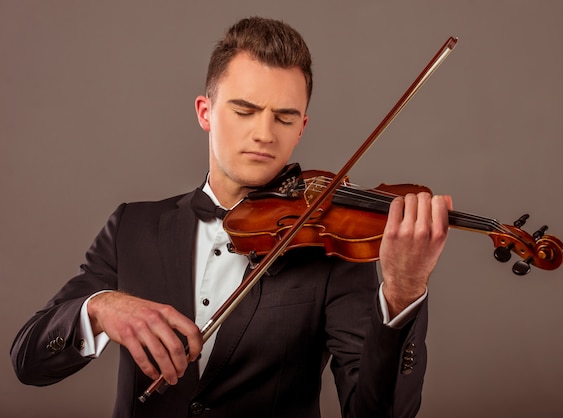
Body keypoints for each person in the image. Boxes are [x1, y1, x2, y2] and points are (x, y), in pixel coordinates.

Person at [11, 17, 452, 418]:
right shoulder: (133, 227)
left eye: (284, 117)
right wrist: (100, 308)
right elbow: (28, 362)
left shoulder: (327, 247)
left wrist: (402, 291)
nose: (264, 133)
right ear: (205, 112)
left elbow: (379, 414)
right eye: (244, 111)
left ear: (301, 128)